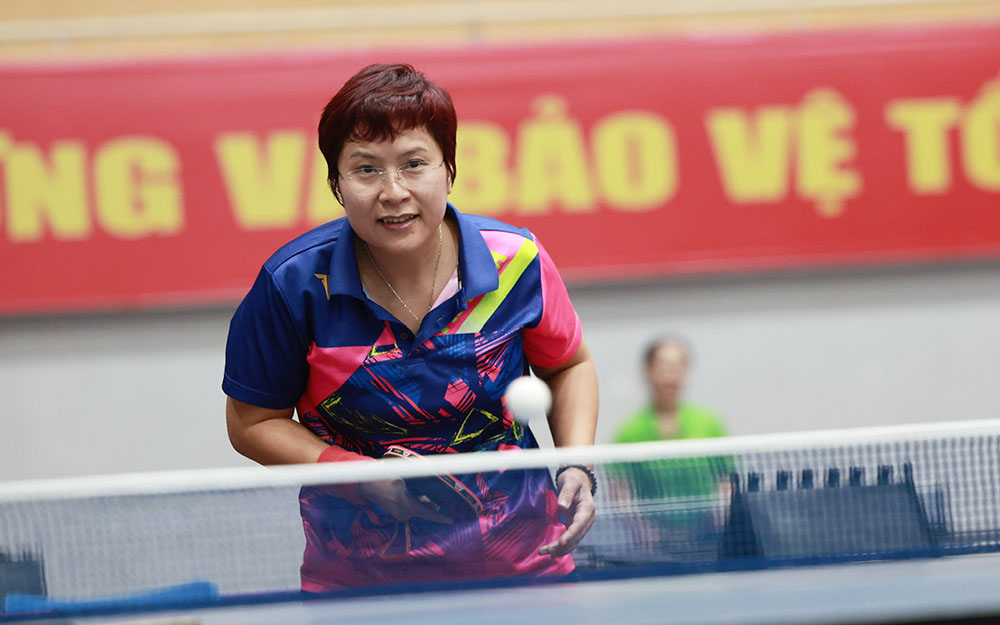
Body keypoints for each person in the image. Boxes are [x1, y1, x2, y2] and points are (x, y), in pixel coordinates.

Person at [222, 63, 598, 592]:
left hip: (523, 561)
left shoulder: (515, 262)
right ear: (337, 184)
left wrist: (576, 467)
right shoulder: (295, 286)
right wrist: (356, 473)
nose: (393, 191)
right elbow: (252, 423)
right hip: (361, 578)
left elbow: (569, 364)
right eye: (366, 169)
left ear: (449, 170)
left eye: (414, 164)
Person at [616, 337, 725, 445]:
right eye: (664, 369)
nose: (671, 378)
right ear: (648, 371)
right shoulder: (631, 431)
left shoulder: (708, 423)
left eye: (678, 369)